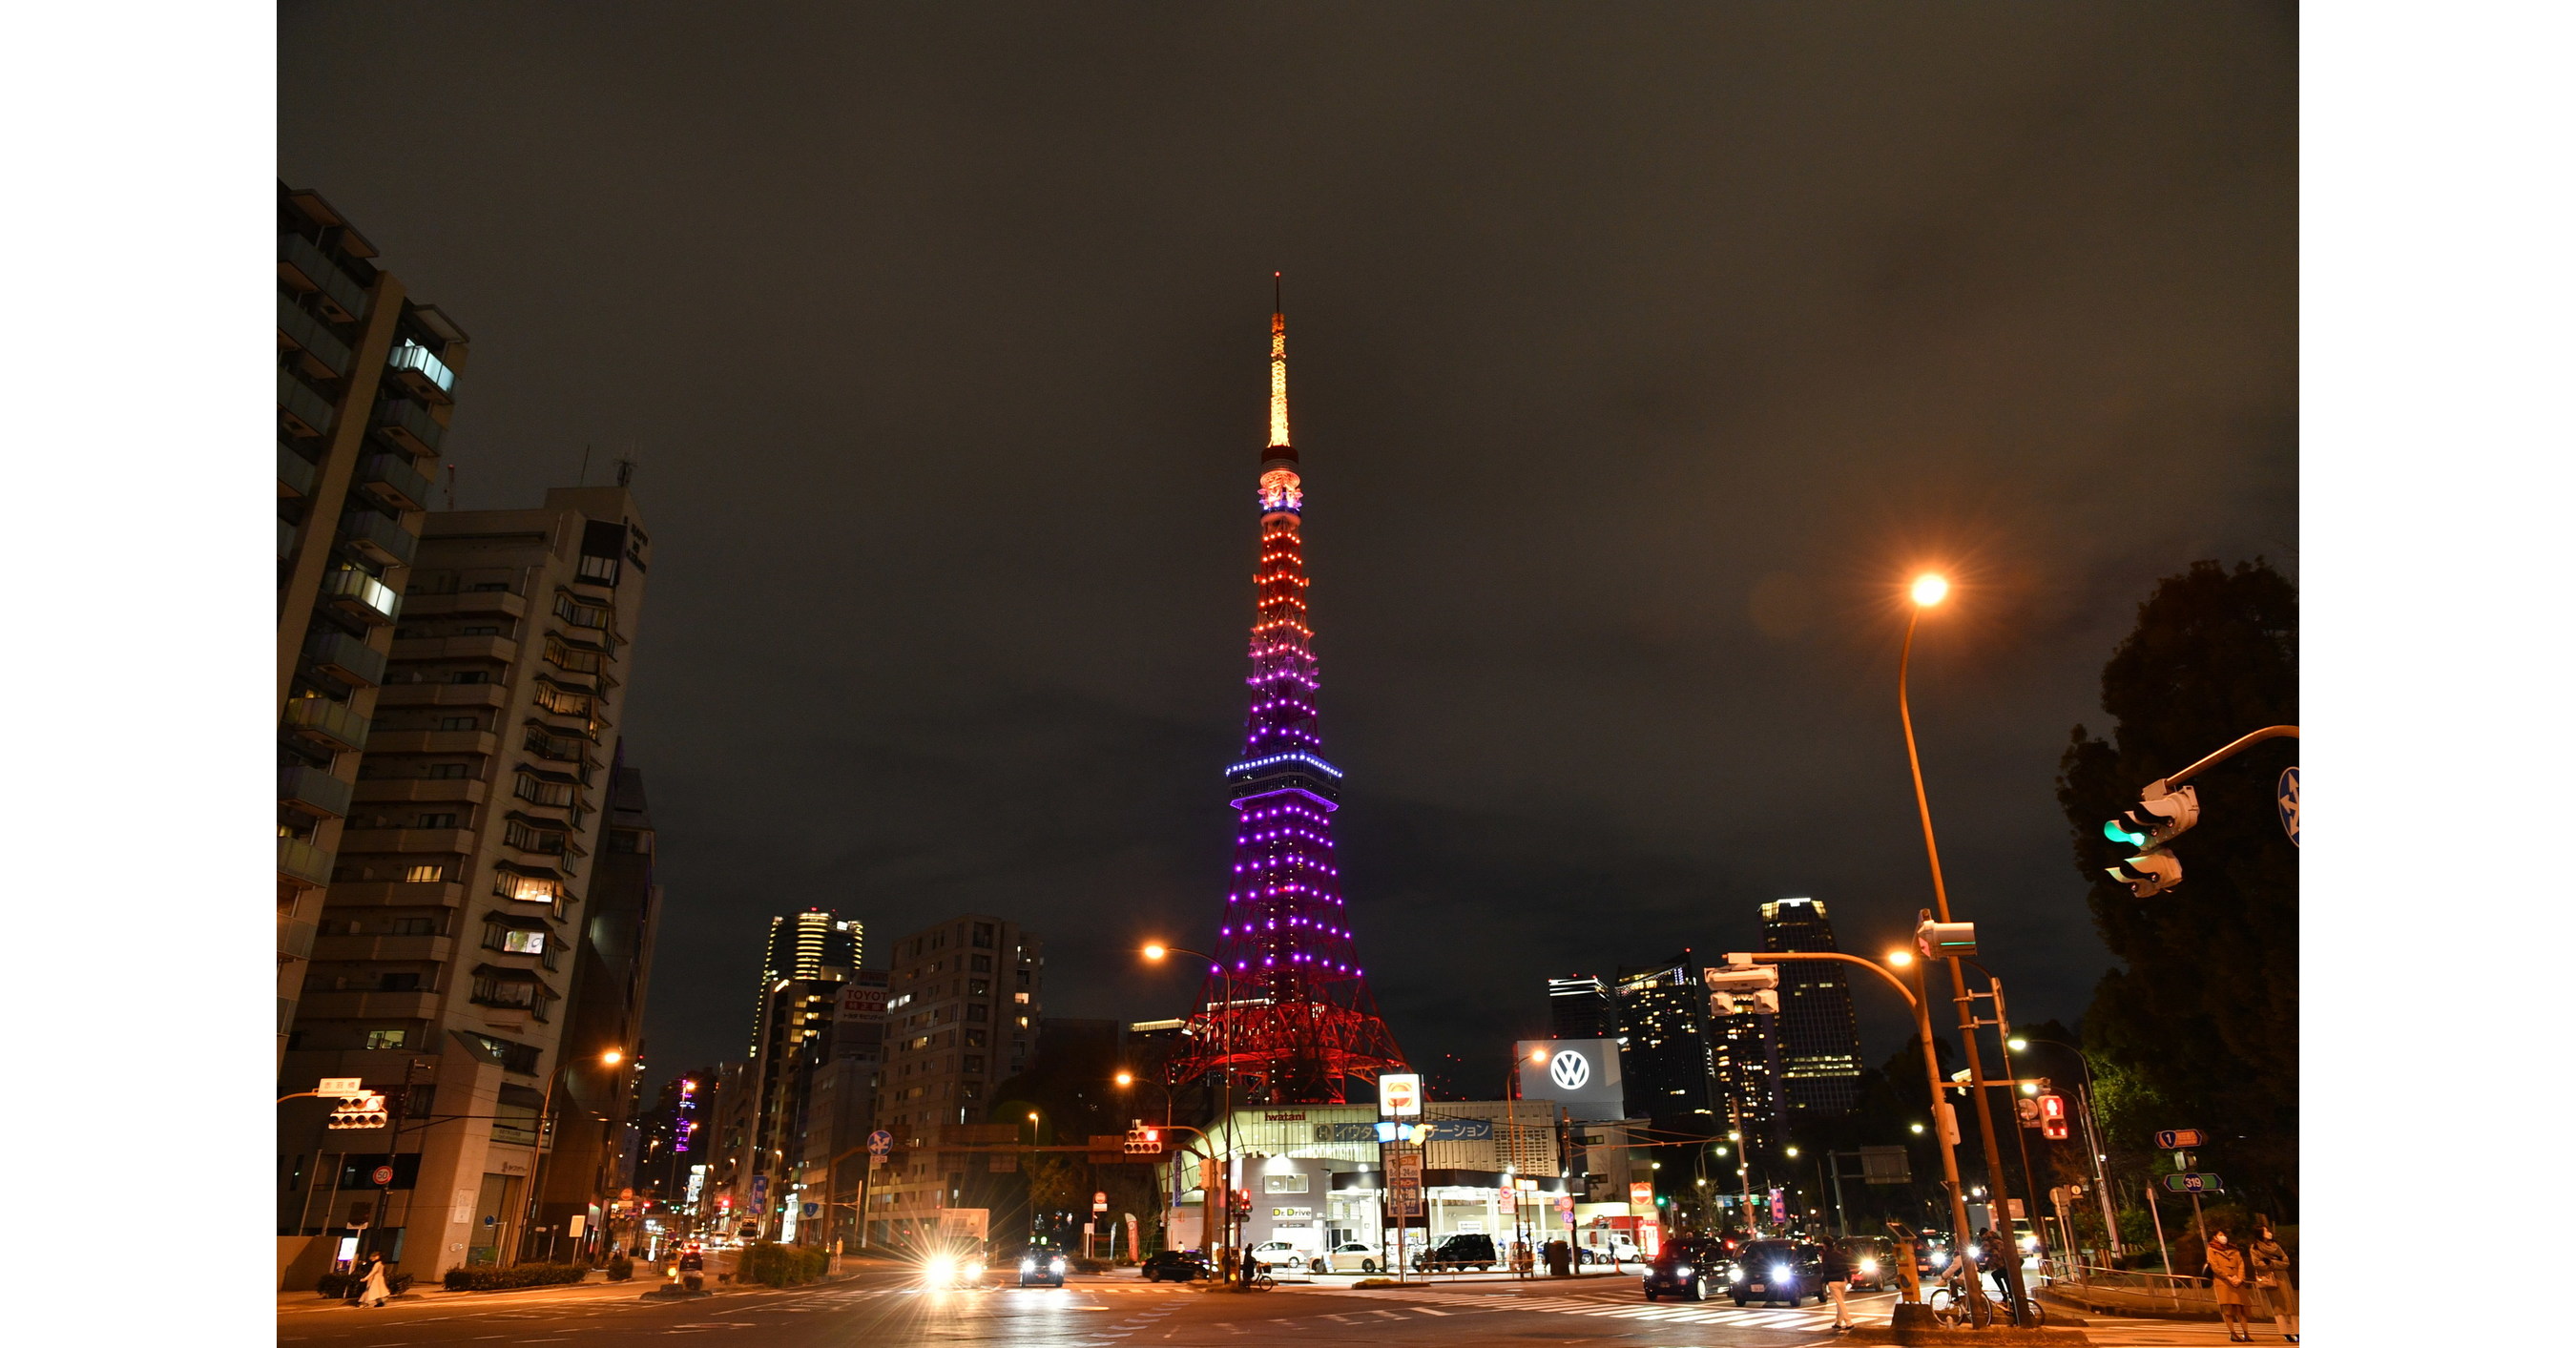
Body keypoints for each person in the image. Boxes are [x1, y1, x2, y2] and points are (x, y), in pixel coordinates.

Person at [2248, 1225, 2297, 1343]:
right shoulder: (2255, 1248)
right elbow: (2257, 1263)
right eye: (2266, 1231)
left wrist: (2272, 1263)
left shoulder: (2275, 1246)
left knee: (2291, 1305)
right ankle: (2286, 1333)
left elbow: (2286, 1262)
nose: (2269, 1233)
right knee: (2278, 1306)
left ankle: (2297, 1331)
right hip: (2270, 1279)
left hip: (2283, 1277)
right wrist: (2274, 1263)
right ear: (2260, 1233)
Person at [2203, 1229, 2254, 1342]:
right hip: (2223, 1282)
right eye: (2220, 1235)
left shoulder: (2234, 1249)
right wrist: (2228, 1277)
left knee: (2241, 1309)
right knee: (2228, 1310)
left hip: (2237, 1282)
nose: (2223, 1237)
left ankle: (2246, 1333)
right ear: (2215, 1237)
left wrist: (2240, 1278)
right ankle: (2233, 1333)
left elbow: (2241, 1264)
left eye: (2224, 1234)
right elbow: (2215, 1266)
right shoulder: (2211, 1249)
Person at [1818, 1238, 1855, 1335]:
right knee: (1840, 1301)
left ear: (1825, 1245)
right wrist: (1849, 1279)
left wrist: (1824, 1281)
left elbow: (1825, 1269)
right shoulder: (1839, 1254)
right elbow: (1846, 1267)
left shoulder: (1826, 1255)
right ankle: (1838, 1322)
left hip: (1833, 1282)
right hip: (1842, 1280)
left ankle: (1849, 1322)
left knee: (1840, 1302)